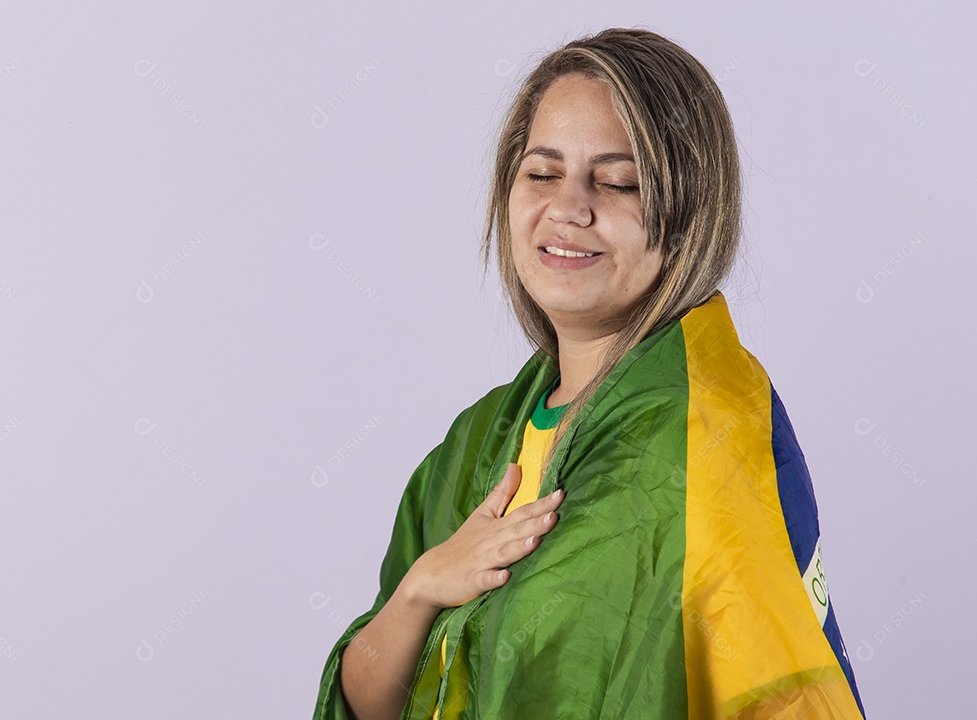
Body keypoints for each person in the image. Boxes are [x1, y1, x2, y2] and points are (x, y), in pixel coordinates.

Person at [312, 27, 866, 720]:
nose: (569, 208)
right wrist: (423, 586)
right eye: (542, 173)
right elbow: (368, 704)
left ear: (691, 210)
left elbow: (790, 698)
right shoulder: (478, 442)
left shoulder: (709, 436)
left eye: (619, 181)